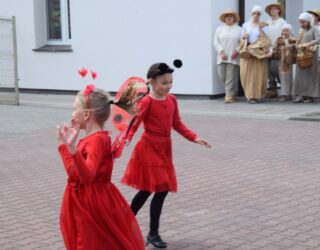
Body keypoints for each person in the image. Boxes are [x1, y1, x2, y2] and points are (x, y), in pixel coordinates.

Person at [121, 62, 210, 248]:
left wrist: (193, 137)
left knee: (157, 190)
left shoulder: (172, 100)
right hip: (148, 148)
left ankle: (148, 231)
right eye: (164, 83)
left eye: (171, 82)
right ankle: (130, 226)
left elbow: (176, 122)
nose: (168, 86)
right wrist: (127, 138)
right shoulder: (146, 102)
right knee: (151, 189)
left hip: (164, 148)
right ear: (151, 82)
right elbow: (135, 121)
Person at [57, 84, 145, 250]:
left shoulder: (97, 141)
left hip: (92, 204)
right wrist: (65, 147)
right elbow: (73, 174)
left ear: (86, 114)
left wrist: (72, 149)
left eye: (75, 108)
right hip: (83, 201)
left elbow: (87, 176)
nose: (72, 113)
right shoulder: (91, 138)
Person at [240, 5, 272, 104]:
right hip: (248, 52)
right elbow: (241, 39)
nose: (256, 15)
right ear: (251, 14)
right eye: (254, 13)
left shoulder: (263, 25)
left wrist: (270, 50)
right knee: (246, 74)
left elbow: (267, 40)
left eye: (258, 13)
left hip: (259, 53)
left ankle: (255, 96)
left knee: (258, 74)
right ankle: (249, 95)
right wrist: (244, 37)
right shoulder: (245, 25)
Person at [213, 9, 242, 103]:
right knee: (222, 75)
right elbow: (215, 42)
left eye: (231, 16)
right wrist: (221, 52)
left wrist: (237, 51)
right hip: (222, 57)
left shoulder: (239, 29)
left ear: (234, 18)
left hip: (233, 57)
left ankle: (229, 96)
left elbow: (242, 42)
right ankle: (232, 92)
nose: (229, 18)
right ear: (224, 19)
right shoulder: (219, 29)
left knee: (230, 77)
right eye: (227, 16)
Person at [293, 12, 320, 103]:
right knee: (300, 75)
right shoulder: (301, 31)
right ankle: (300, 95)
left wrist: (309, 43)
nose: (301, 24)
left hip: (311, 55)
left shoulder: (314, 29)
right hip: (301, 55)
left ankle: (310, 96)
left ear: (308, 21)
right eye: (300, 22)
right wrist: (296, 45)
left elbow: (318, 40)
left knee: (310, 75)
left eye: (303, 22)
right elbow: (298, 41)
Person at [265, 3, 287, 98]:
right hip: (267, 48)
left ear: (279, 10)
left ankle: (285, 88)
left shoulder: (282, 22)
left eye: (275, 9)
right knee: (268, 70)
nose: (273, 10)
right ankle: (272, 89)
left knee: (275, 69)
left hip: (278, 49)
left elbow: (287, 34)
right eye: (271, 9)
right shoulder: (267, 22)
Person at [277, 23, 296, 101]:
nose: (285, 32)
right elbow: (275, 49)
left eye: (287, 30)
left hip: (289, 61)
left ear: (290, 31)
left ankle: (290, 93)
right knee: (283, 77)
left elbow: (295, 49)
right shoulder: (280, 40)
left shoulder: (292, 40)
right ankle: (284, 94)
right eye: (284, 30)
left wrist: (291, 47)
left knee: (289, 76)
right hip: (281, 61)